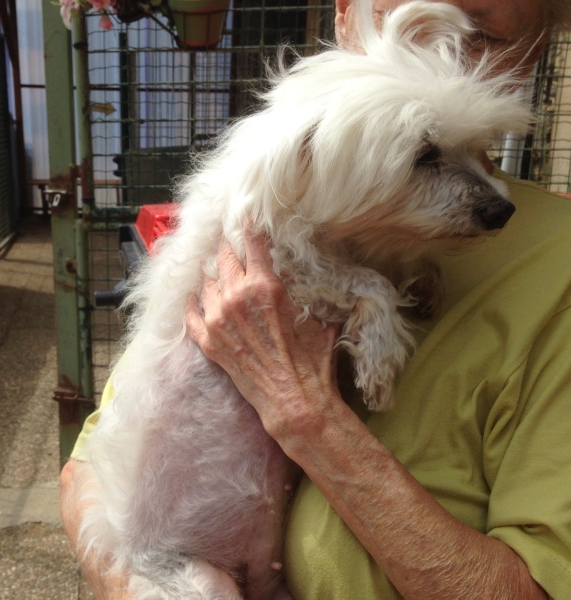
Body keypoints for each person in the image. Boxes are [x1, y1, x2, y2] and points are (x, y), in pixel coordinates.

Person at [60, 0, 571, 597]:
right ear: (345, 17)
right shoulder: (267, 197)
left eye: (476, 37)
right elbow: (86, 471)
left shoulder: (553, 271)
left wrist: (307, 415)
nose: (431, 64)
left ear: (534, 53)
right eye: (405, 22)